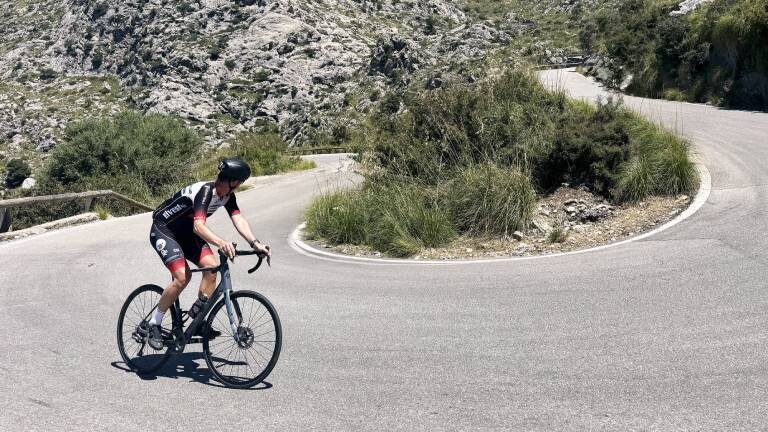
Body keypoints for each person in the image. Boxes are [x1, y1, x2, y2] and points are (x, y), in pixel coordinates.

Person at [146, 158, 271, 350]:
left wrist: (255, 244)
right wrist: (221, 242)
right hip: (164, 230)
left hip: (186, 233)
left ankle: (196, 321)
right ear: (234, 181)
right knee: (182, 277)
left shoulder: (227, 196)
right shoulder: (205, 192)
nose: (239, 187)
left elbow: (238, 219)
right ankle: (154, 323)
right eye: (240, 183)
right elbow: (198, 226)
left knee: (212, 269)